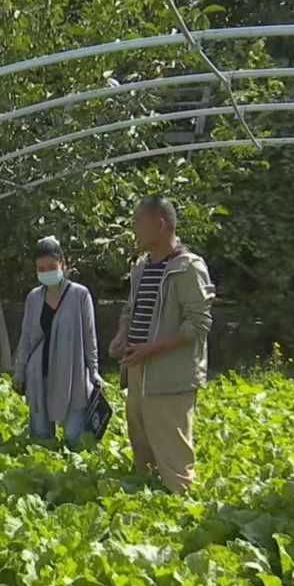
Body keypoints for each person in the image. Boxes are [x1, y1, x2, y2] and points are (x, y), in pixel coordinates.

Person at [109, 196, 214, 494]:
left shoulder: (188, 268)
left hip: (170, 377)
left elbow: (198, 324)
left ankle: (182, 510)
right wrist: (123, 334)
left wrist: (150, 350)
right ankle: (149, 505)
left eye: (138, 222)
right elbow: (131, 309)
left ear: (160, 224)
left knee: (173, 454)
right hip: (139, 372)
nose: (134, 228)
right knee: (142, 447)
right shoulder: (142, 267)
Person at [13, 236, 102, 448]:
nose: (46, 272)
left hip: (72, 373)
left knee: (75, 438)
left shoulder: (80, 295)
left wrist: (94, 371)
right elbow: (26, 338)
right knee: (41, 438)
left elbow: (90, 337)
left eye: (52, 267)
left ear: (63, 264)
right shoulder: (34, 298)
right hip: (38, 373)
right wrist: (19, 370)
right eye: (41, 268)